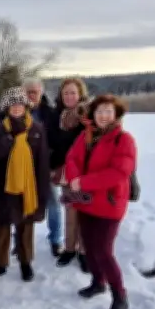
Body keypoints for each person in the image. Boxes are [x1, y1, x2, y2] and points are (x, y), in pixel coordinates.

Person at [63, 94, 136, 309]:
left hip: (109, 204)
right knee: (90, 248)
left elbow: (118, 173)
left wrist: (83, 182)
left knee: (104, 252)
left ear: (116, 114)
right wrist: (75, 179)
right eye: (99, 111)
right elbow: (72, 158)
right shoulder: (86, 135)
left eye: (108, 111)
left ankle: (120, 297)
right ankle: (98, 282)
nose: (103, 115)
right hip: (86, 201)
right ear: (93, 114)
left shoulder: (123, 140)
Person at [0, 87, 51, 283]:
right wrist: (7, 141)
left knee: (25, 225)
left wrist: (41, 191)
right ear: (6, 107)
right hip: (4, 187)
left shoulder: (36, 129)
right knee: (2, 225)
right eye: (12, 104)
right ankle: (0, 263)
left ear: (26, 106)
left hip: (29, 186)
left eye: (20, 104)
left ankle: (25, 262)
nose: (17, 108)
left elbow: (42, 162)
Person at [46, 78, 90, 271]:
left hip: (85, 172)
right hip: (65, 171)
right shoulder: (56, 116)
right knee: (70, 210)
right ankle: (70, 248)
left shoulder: (87, 114)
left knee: (85, 212)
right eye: (66, 93)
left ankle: (84, 251)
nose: (70, 96)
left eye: (73, 93)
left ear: (80, 94)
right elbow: (52, 143)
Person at [23, 78, 62, 256]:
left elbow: (57, 140)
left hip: (47, 165)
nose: (31, 95)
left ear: (41, 93)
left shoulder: (50, 113)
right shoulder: (18, 111)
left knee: (53, 202)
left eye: (35, 92)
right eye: (28, 91)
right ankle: (21, 240)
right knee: (22, 203)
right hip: (24, 166)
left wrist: (54, 164)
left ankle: (55, 239)